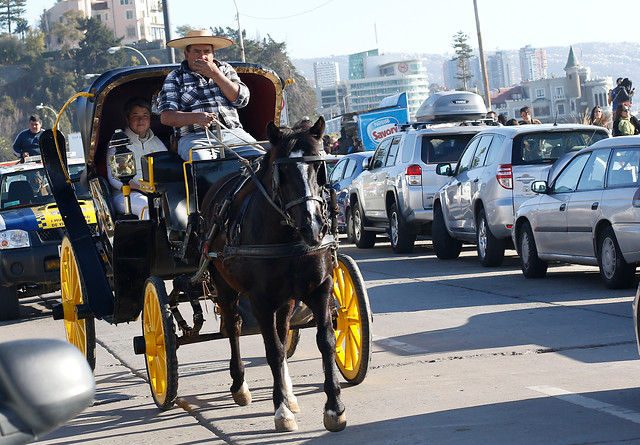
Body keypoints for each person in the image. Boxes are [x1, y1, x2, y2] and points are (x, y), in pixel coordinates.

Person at [157, 30, 257, 161]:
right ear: (187, 54)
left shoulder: (225, 69)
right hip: (194, 138)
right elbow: (166, 117)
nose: (202, 57)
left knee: (260, 159)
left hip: (233, 133)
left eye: (206, 52)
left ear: (213, 53)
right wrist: (197, 118)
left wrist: (216, 74)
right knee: (203, 165)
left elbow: (241, 100)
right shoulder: (175, 77)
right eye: (197, 52)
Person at [107, 97, 168, 219]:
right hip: (126, 195)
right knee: (146, 204)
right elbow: (116, 179)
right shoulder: (119, 143)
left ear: (150, 119)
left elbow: (167, 167)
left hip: (155, 192)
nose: (141, 120)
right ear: (127, 119)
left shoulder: (156, 142)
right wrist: (142, 190)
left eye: (145, 115)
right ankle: (151, 238)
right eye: (135, 116)